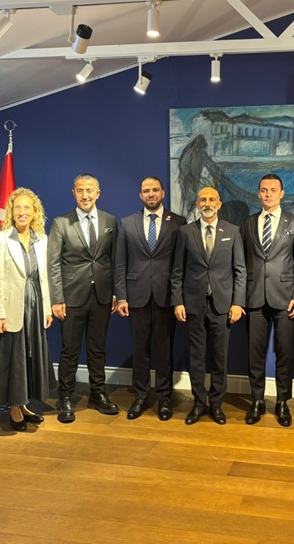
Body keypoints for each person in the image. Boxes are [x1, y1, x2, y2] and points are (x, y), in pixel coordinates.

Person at [171, 187, 246, 425]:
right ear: (197, 204)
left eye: (212, 199)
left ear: (219, 204)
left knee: (219, 358)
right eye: (203, 199)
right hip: (193, 305)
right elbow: (177, 271)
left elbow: (240, 271)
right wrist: (177, 301)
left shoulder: (232, 231)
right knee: (196, 357)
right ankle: (198, 403)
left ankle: (216, 404)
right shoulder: (186, 232)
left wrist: (238, 303)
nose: (207, 203)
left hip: (222, 306)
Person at [48, 173, 118, 423]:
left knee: (97, 349)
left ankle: (98, 394)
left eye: (89, 190)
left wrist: (115, 293)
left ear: (98, 193)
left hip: (101, 296)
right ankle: (65, 397)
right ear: (73, 193)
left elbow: (114, 260)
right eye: (80, 190)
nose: (85, 195)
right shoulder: (61, 223)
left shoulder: (110, 220)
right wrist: (57, 298)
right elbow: (53, 264)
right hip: (71, 298)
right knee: (70, 350)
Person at [0, 188, 54, 431]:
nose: (22, 212)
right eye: (17, 207)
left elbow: (44, 278)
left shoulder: (42, 239)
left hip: (36, 307)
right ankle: (14, 408)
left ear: (35, 212)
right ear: (11, 211)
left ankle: (23, 405)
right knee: (14, 359)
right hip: (11, 308)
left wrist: (47, 309)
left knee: (30, 357)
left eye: (27, 207)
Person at [115, 177, 186, 421]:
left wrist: (178, 298)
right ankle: (140, 397)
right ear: (140, 195)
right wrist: (121, 297)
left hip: (167, 297)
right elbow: (120, 263)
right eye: (146, 191)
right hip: (137, 297)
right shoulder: (127, 223)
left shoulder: (178, 222)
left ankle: (165, 398)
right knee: (140, 350)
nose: (151, 194)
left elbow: (180, 265)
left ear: (163, 193)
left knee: (165, 350)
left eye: (155, 190)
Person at [241, 174, 294, 427]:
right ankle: (257, 401)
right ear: (258, 194)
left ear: (282, 193)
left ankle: (282, 402)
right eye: (264, 190)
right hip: (254, 297)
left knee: (285, 353)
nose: (268, 194)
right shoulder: (248, 223)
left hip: (286, 298)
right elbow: (241, 263)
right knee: (254, 353)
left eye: (273, 190)